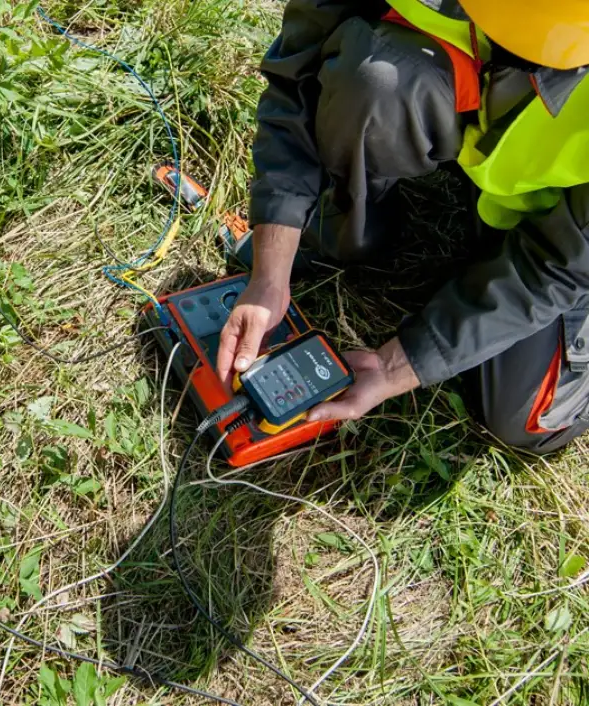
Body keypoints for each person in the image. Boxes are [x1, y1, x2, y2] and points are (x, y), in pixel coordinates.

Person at [217, 0, 589, 454]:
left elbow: (558, 267)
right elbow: (296, 74)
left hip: (565, 228)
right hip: (474, 109)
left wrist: (397, 368)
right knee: (372, 78)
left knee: (525, 419)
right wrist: (270, 271)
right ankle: (345, 226)